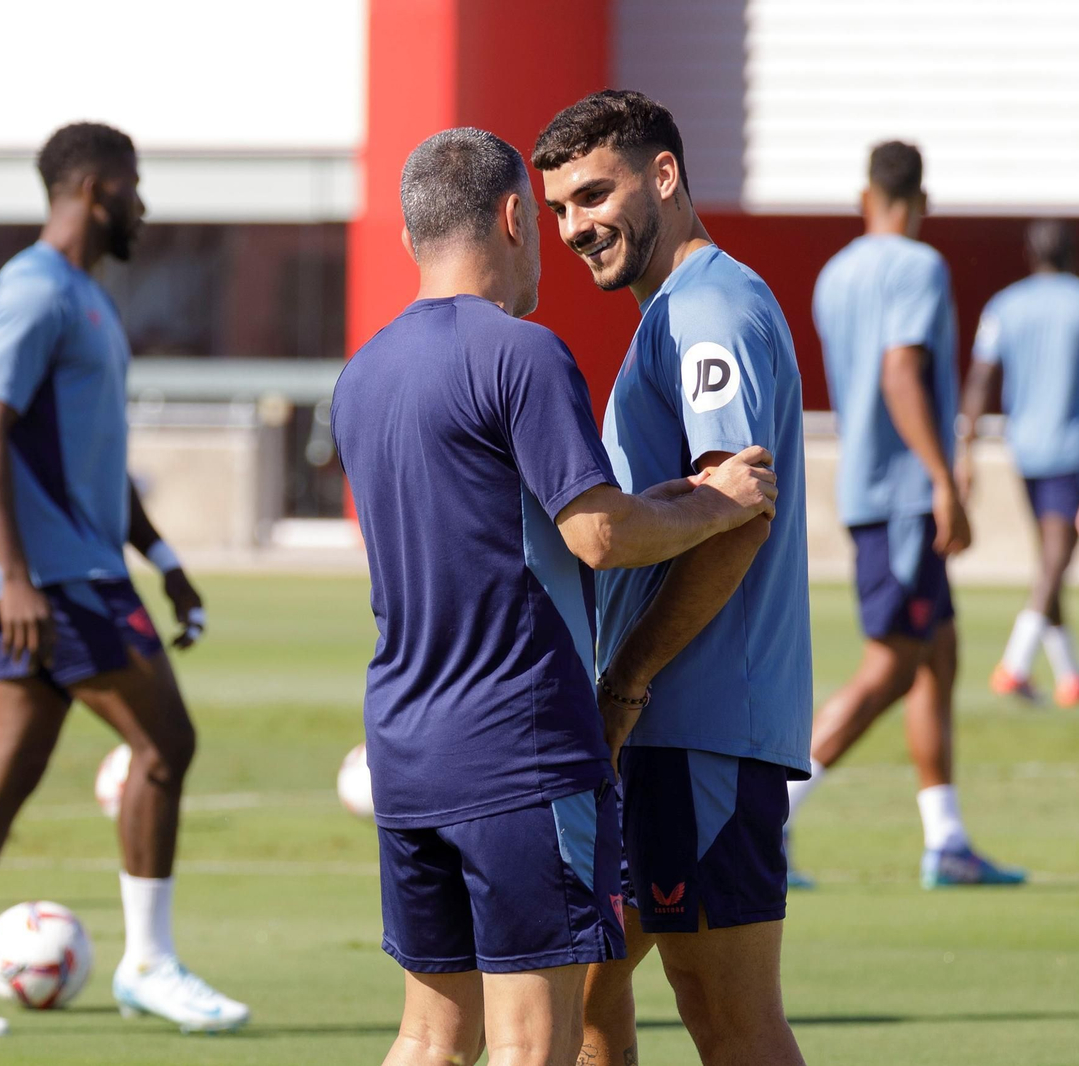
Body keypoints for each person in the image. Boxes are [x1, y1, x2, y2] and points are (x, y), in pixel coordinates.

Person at [332, 127, 779, 1066]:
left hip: (406, 750)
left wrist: (648, 505)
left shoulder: (362, 374)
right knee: (533, 1041)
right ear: (509, 218)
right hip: (518, 750)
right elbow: (598, 536)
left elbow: (510, 523)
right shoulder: (522, 353)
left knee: (426, 1036)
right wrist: (713, 501)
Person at [0, 122, 248, 1038]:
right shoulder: (34, 290)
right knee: (166, 745)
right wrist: (15, 577)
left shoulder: (87, 301)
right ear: (92, 186)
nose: (143, 204)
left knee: (4, 779)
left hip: (68, 574)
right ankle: (149, 963)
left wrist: (165, 561)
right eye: (133, 184)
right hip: (55, 583)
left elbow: (94, 464)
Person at [535, 88, 812, 1066]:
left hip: (698, 724)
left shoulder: (708, 312)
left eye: (594, 195)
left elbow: (739, 512)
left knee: (728, 1020)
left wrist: (628, 680)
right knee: (587, 991)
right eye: (561, 208)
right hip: (657, 726)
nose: (575, 227)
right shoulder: (674, 314)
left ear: (664, 175)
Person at [795, 140, 1026, 890]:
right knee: (893, 661)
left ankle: (946, 839)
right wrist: (943, 478)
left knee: (939, 651)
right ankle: (763, 819)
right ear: (921, 202)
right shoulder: (920, 266)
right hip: (902, 493)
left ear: (867, 195)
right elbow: (900, 371)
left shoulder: (834, 273)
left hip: (871, 486)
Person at [960, 219, 1079, 706]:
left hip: (1024, 448)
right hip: (1071, 447)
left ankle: (1070, 676)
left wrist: (965, 447)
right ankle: (1015, 663)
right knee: (1057, 558)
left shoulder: (1005, 305)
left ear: (1030, 254)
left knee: (1051, 559)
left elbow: (978, 380)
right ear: (1075, 254)